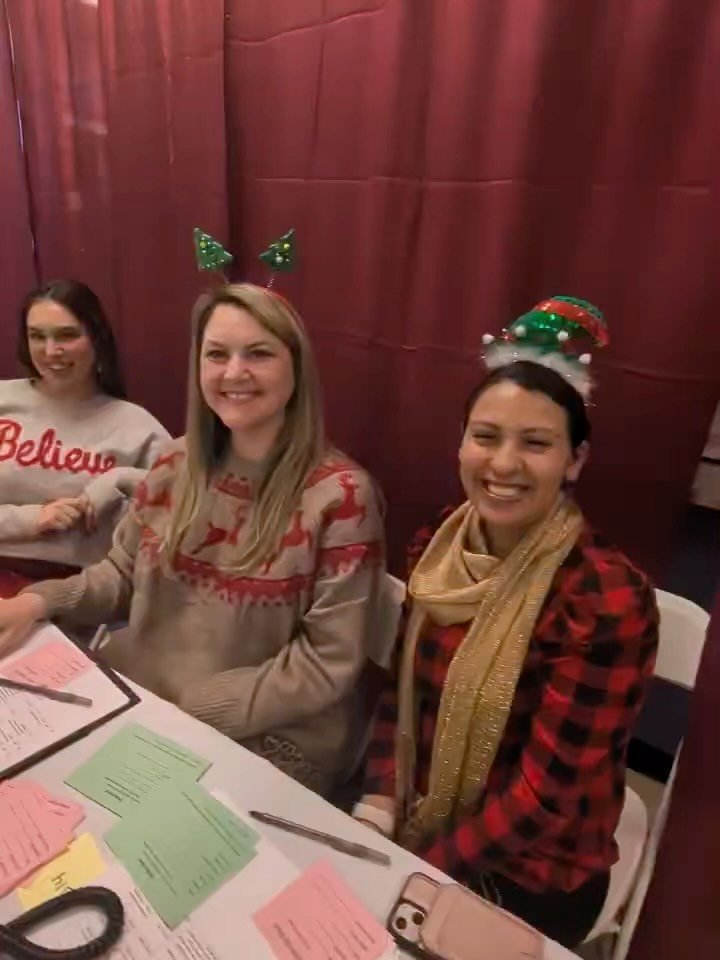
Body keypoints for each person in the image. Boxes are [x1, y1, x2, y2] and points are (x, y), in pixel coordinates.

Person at [353, 297, 659, 948]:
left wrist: (418, 867)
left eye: (537, 443)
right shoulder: (439, 543)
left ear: (575, 460)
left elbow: (545, 801)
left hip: (534, 863)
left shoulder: (604, 600)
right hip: (421, 813)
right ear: (461, 441)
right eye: (486, 436)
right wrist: (378, 802)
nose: (503, 464)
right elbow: (404, 696)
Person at [0, 283, 386, 794]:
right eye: (217, 354)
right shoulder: (175, 463)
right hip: (144, 702)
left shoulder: (342, 497)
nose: (233, 373)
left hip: (266, 738)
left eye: (259, 354)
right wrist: (38, 602)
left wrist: (190, 709)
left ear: (297, 368)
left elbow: (325, 664)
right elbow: (120, 575)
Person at [0, 280, 170, 597]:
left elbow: (183, 505)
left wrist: (121, 478)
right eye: (37, 336)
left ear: (97, 338)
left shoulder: (137, 426)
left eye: (67, 335)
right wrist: (32, 519)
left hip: (82, 595)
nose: (51, 351)